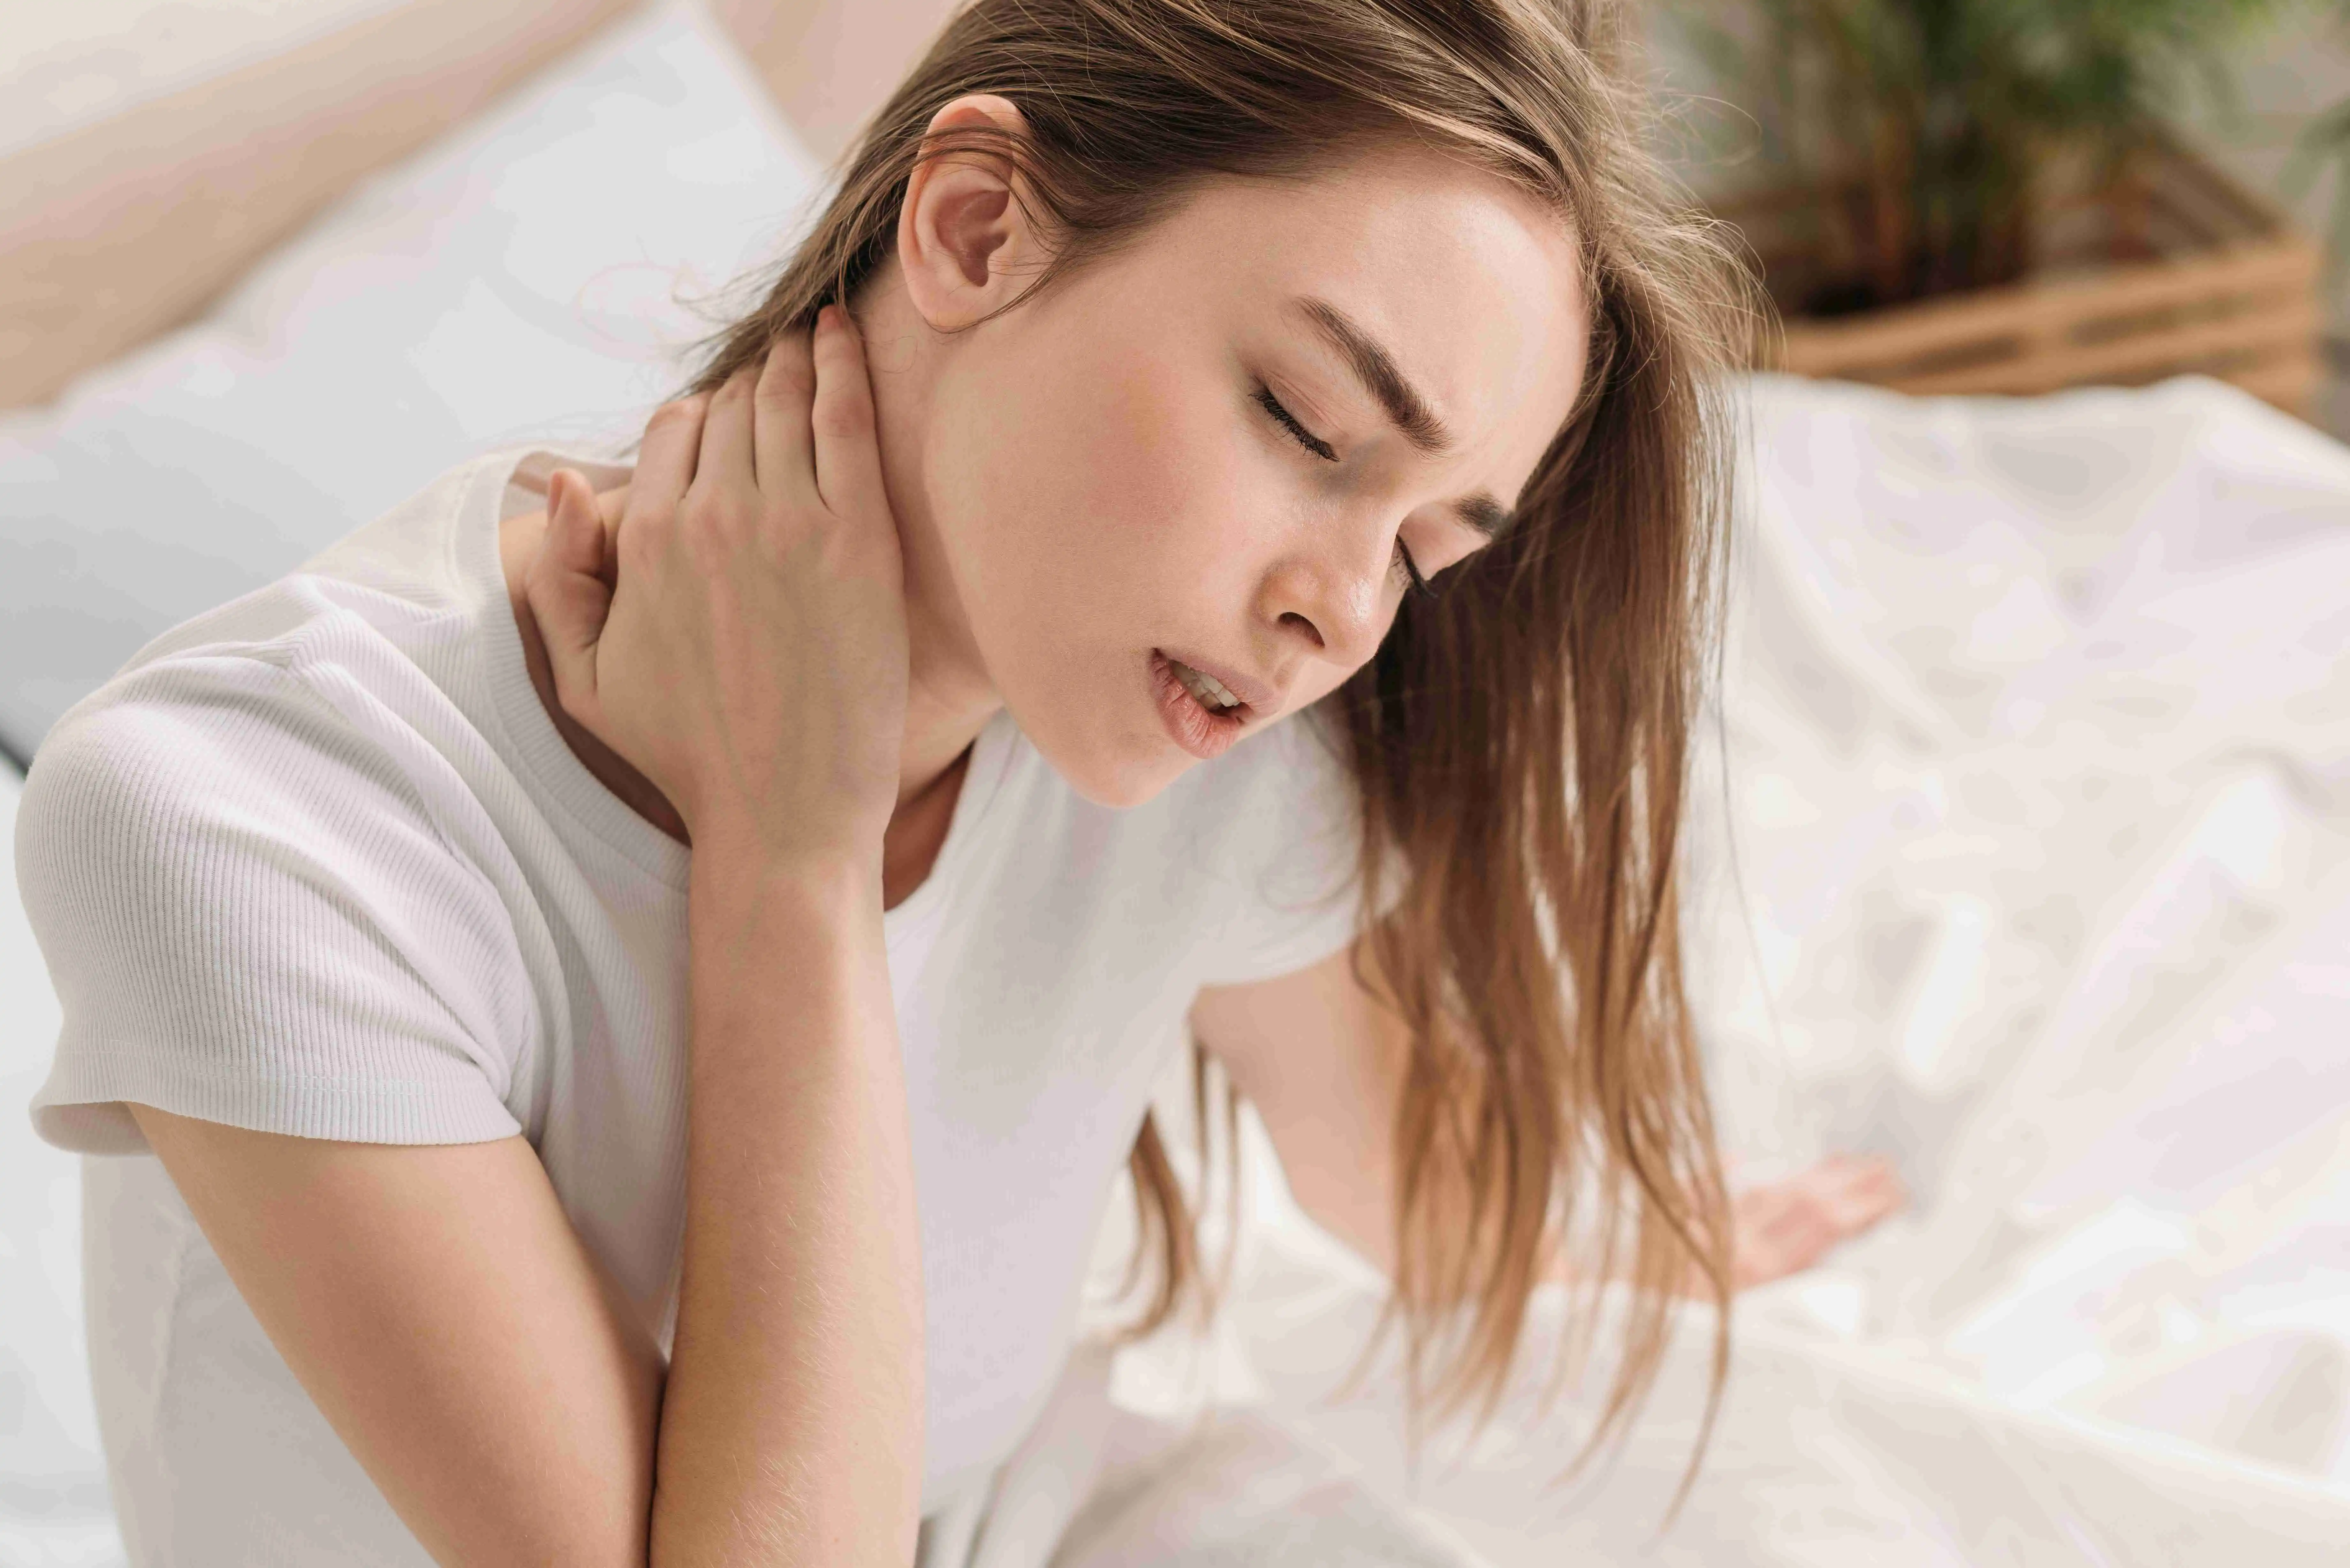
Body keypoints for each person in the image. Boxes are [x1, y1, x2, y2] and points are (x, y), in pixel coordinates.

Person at [16, 1, 1905, 1563]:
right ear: (980, 226)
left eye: (1428, 549)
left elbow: (1394, 1168)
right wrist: (796, 852)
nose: (1338, 612)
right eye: (1306, 425)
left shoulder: (1193, 735)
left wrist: (1667, 1233)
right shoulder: (245, 825)